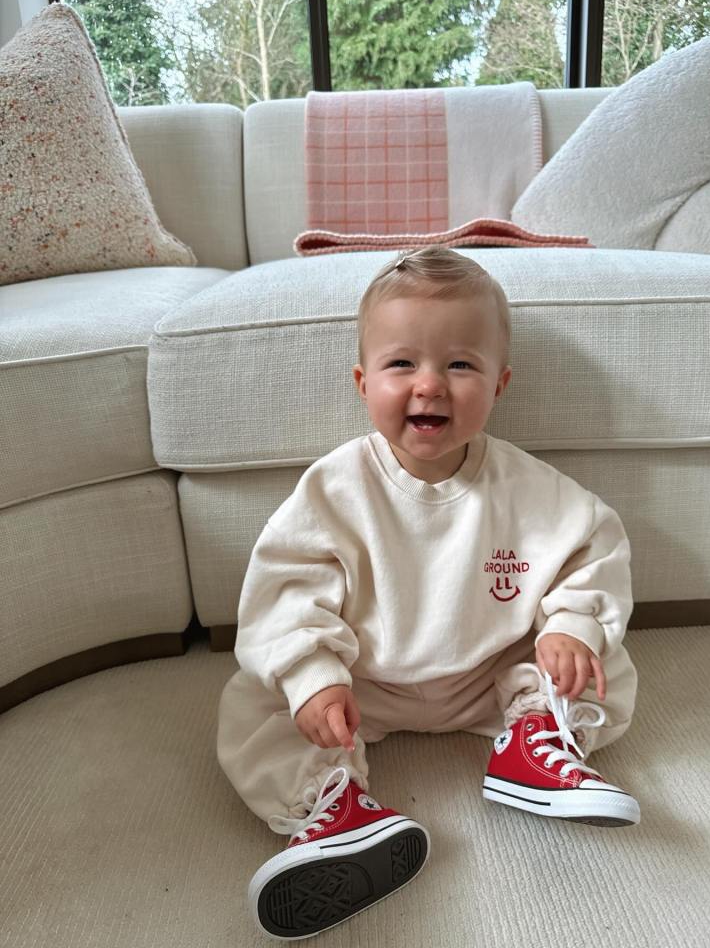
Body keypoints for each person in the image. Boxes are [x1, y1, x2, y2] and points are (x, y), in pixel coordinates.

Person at [217, 246, 640, 941]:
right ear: (362, 381)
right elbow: (289, 590)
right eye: (402, 364)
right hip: (360, 690)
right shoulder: (334, 488)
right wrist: (313, 677)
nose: (430, 386)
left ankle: (532, 744)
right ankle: (334, 806)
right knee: (255, 702)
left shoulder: (530, 488)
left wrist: (570, 627)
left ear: (500, 384)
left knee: (600, 665)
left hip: (488, 677)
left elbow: (590, 549)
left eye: (460, 365)